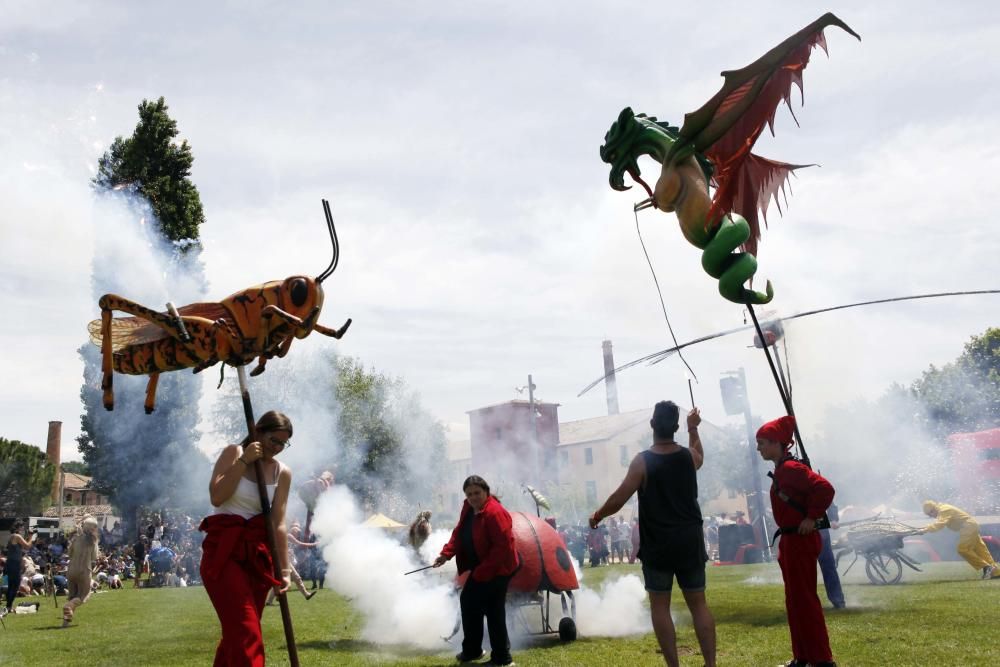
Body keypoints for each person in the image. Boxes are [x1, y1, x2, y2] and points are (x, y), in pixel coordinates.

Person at [589, 401, 716, 667]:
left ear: (652, 425)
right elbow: (699, 457)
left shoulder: (642, 461)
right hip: (689, 540)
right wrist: (694, 430)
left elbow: (619, 498)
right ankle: (710, 664)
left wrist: (598, 514)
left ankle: (674, 666)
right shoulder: (687, 457)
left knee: (660, 606)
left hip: (658, 544)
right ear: (676, 427)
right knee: (699, 605)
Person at [200, 410, 294, 667]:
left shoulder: (282, 472)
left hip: (257, 557)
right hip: (224, 553)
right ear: (259, 432)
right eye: (274, 440)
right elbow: (217, 497)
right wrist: (244, 462)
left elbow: (278, 524)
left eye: (283, 444)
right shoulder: (234, 453)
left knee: (237, 635)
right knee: (246, 632)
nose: (277, 448)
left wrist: (283, 570)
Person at [756, 415, 837, 667]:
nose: (759, 448)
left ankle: (822, 660)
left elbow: (825, 488)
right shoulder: (784, 469)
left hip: (800, 539)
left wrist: (812, 517)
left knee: (804, 599)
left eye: (762, 443)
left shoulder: (792, 470)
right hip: (791, 541)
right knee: (795, 600)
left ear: (777, 443)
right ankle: (802, 657)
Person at [433, 475, 519, 667]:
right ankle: (478, 652)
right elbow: (459, 533)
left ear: (486, 492)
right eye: (469, 494)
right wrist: (446, 554)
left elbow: (503, 548)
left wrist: (482, 572)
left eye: (477, 493)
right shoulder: (469, 508)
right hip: (484, 568)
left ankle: (499, 658)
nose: (473, 497)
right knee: (482, 606)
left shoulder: (495, 513)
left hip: (500, 568)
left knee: (487, 607)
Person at [918, 499, 999, 579]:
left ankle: (986, 567)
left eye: (930, 513)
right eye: (929, 515)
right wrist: (926, 528)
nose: (931, 516)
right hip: (970, 526)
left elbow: (940, 524)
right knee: (982, 551)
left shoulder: (944, 510)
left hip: (967, 527)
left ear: (934, 509)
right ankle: (996, 572)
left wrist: (925, 530)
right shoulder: (943, 508)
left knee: (962, 549)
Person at [63, 516, 101, 627]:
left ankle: (65, 623)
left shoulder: (75, 538)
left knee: (72, 596)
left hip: (71, 571)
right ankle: (68, 606)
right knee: (83, 596)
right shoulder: (93, 541)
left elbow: (69, 554)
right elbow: (94, 557)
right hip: (84, 571)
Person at [817, 501, 845, 608]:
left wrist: (833, 519)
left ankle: (838, 600)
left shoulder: (816, 486)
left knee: (828, 566)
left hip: (821, 531)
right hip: (802, 532)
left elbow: (830, 503)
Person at [4, 520, 36, 612]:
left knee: (11, 586)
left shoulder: (15, 537)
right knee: (15, 585)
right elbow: (27, 546)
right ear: (18, 528)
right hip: (13, 564)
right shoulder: (16, 536)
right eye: (22, 527)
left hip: (12, 564)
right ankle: (9, 607)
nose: (23, 529)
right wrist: (31, 537)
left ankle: (8, 606)